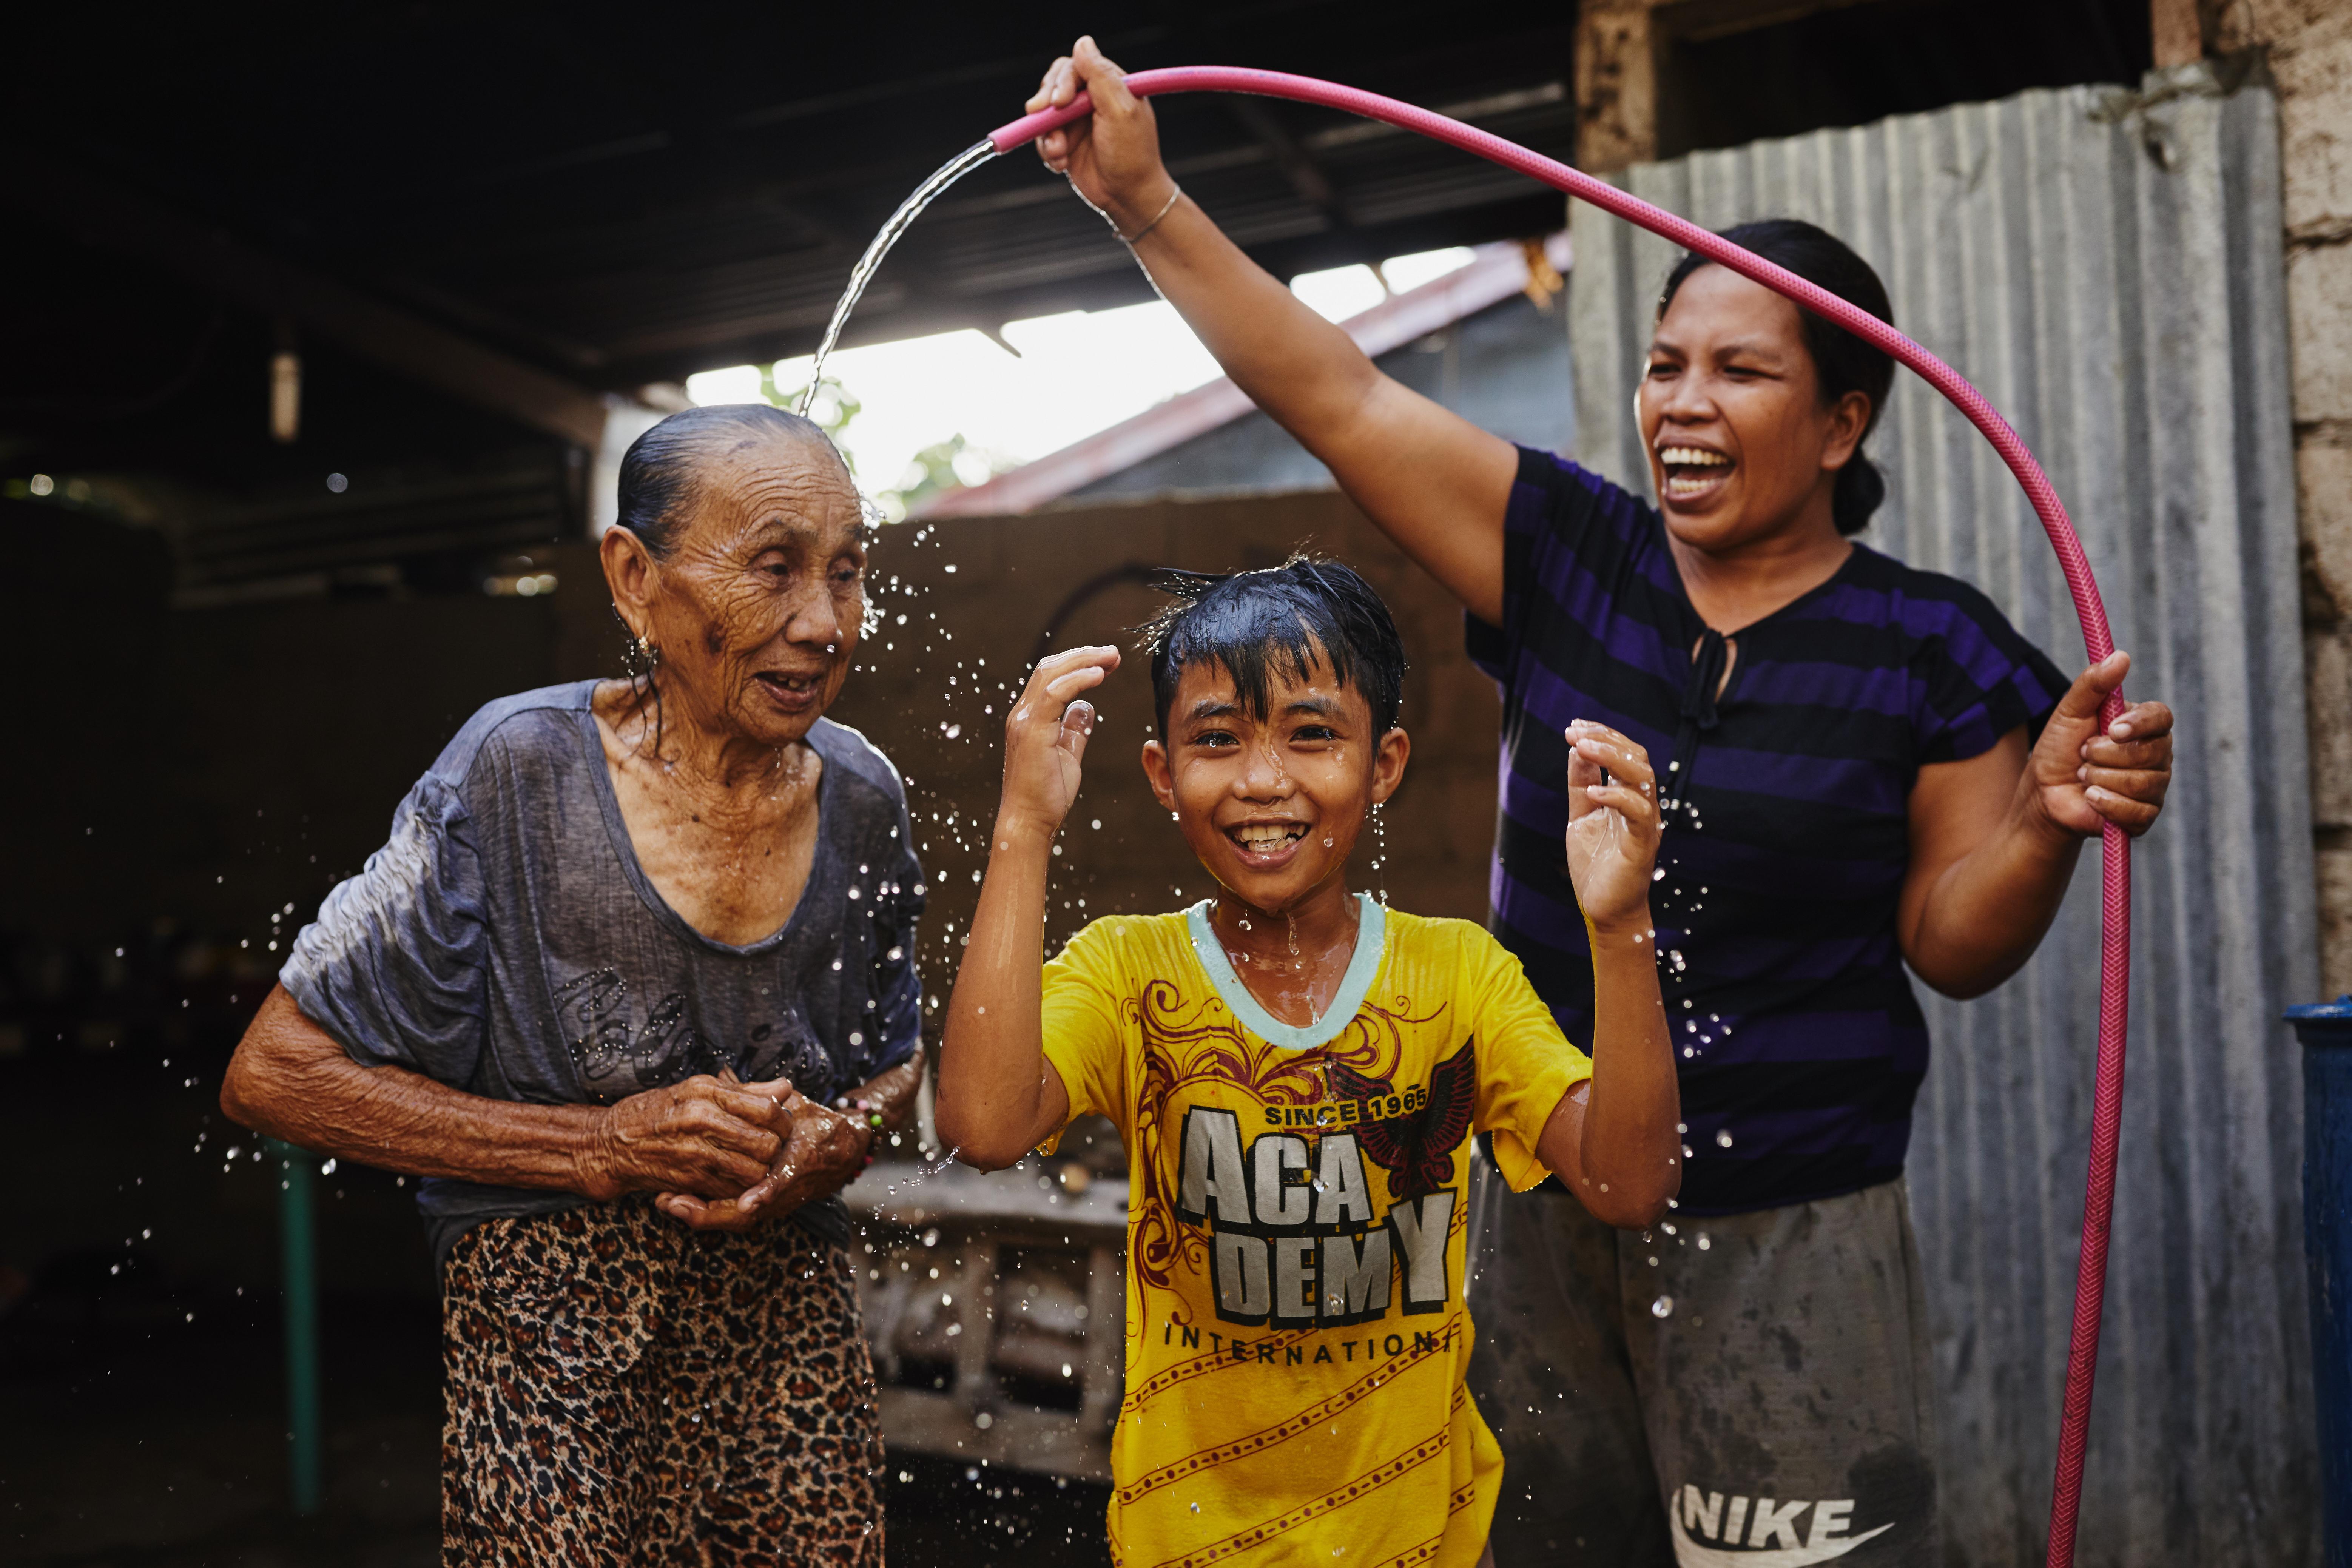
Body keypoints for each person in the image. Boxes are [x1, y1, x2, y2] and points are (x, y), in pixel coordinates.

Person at [1019, 39, 2177, 1567]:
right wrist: (1148, 204)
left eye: (1742, 372)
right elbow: (1339, 392)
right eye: (1664, 364)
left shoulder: (1934, 648)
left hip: (1795, 1228)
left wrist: (2038, 822)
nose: (1682, 405)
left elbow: (1951, 943)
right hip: (1539, 1200)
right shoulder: (1574, 553)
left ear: (1842, 424)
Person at [220, 403, 922, 1567]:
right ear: (634, 577)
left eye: (847, 574)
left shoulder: (861, 793)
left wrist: (842, 1136)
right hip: (552, 1335)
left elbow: (897, 1060)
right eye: (774, 568)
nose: (822, 622)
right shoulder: (518, 771)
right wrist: (600, 1148)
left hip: (784, 1320)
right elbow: (273, 1074)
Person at [934, 558, 1682, 1567]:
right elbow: (982, 1124)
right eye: (1217, 739)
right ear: (1162, 773)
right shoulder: (1126, 971)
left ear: (1385, 764)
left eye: (1312, 734)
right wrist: (1024, 824)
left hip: (1420, 1542)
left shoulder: (1456, 976)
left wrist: (1624, 923)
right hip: (1185, 1543)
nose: (1262, 780)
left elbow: (1630, 1180)